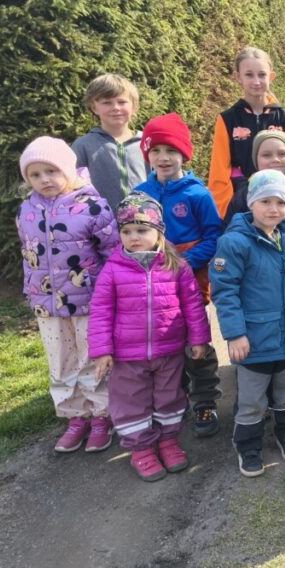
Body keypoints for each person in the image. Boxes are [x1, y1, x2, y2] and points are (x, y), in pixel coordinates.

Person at [210, 170, 285, 477]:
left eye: (280, 202)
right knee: (252, 400)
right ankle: (248, 447)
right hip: (254, 340)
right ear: (251, 202)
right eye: (265, 201)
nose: (273, 209)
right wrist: (235, 334)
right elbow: (225, 291)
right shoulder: (234, 242)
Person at [88, 193, 211, 482]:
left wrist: (198, 340)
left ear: (159, 233)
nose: (134, 237)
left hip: (169, 351)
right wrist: (102, 351)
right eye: (127, 231)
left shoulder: (176, 266)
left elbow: (193, 305)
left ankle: (168, 441)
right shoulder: (113, 269)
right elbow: (101, 311)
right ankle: (141, 448)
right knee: (132, 402)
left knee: (170, 397)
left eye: (142, 230)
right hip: (127, 356)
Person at [16, 136, 119, 453]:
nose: (45, 179)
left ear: (67, 170)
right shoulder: (27, 209)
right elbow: (27, 254)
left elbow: (112, 252)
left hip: (88, 301)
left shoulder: (91, 206)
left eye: (52, 171)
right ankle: (75, 416)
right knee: (61, 361)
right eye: (35, 174)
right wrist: (32, 290)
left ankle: (101, 415)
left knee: (91, 359)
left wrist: (110, 294)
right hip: (47, 304)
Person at [135, 113, 223, 437]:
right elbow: (131, 236)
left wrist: (185, 262)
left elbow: (214, 236)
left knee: (196, 340)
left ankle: (205, 399)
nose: (163, 158)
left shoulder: (197, 194)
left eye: (171, 150)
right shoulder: (140, 194)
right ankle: (175, 396)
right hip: (153, 284)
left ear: (184, 154)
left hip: (190, 280)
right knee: (166, 342)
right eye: (156, 151)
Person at [222, 128, 285, 411]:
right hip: (257, 303)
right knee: (256, 359)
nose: (275, 159)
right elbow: (228, 277)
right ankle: (252, 403)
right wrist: (234, 331)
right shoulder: (243, 199)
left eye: (282, 153)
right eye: (266, 154)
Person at [208, 47, 285, 218]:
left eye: (262, 75)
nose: (256, 81)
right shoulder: (228, 119)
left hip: (277, 205)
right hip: (242, 205)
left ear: (271, 77)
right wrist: (225, 213)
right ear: (238, 77)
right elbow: (219, 171)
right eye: (249, 75)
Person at [72, 74, 148, 213]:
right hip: (101, 223)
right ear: (94, 107)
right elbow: (74, 189)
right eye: (107, 103)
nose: (116, 107)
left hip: (145, 221)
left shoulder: (147, 142)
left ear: (134, 106)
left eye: (122, 102)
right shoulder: (83, 146)